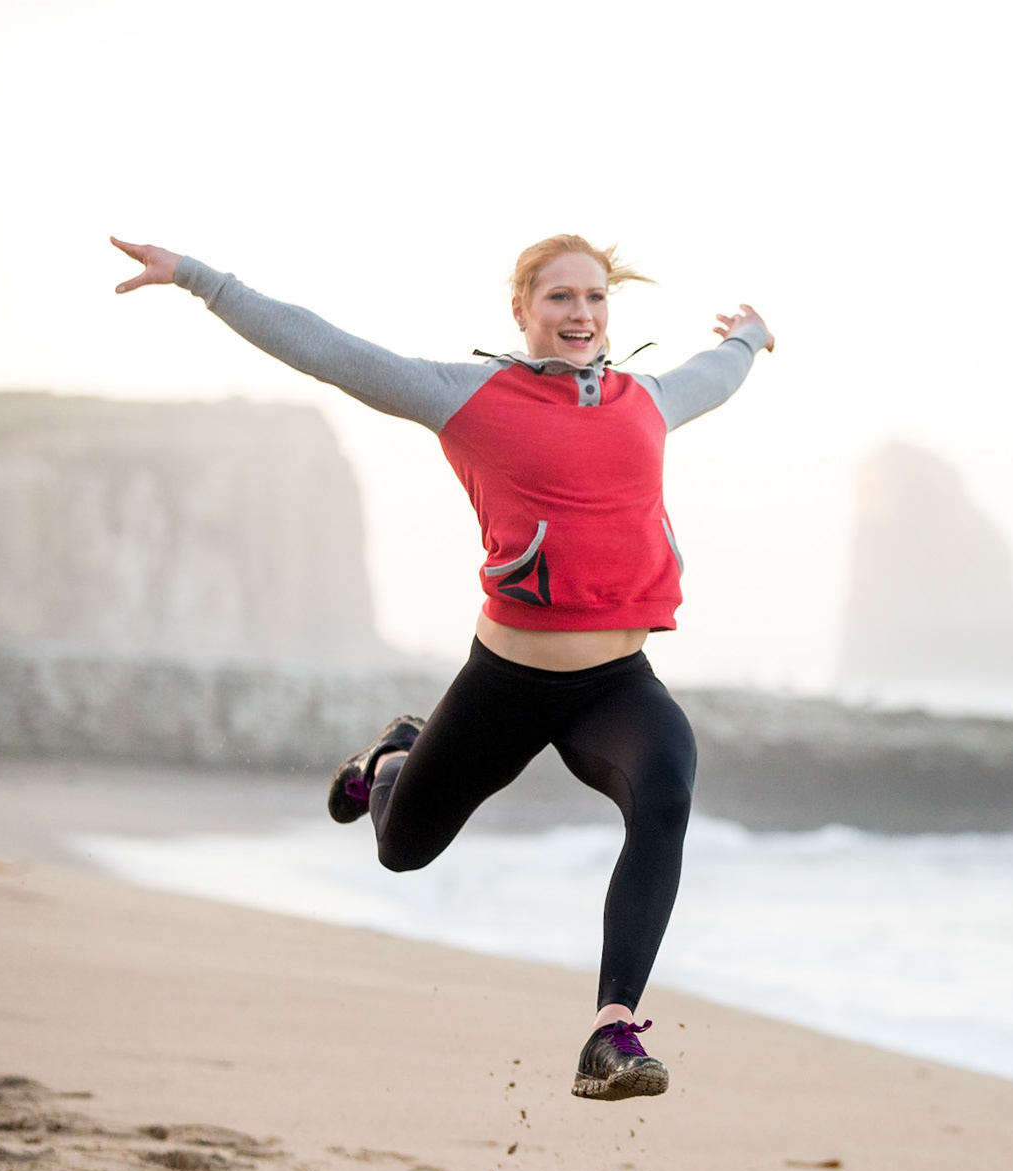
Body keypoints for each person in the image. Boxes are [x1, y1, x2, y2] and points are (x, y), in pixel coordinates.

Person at [110, 233, 773, 1101]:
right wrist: (200, 279)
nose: (581, 315)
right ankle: (389, 756)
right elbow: (332, 352)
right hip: (507, 683)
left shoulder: (646, 399)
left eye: (595, 299)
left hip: (615, 685)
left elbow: (716, 377)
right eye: (561, 299)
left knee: (669, 790)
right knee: (401, 849)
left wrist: (749, 337)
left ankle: (612, 1032)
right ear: (523, 309)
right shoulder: (466, 397)